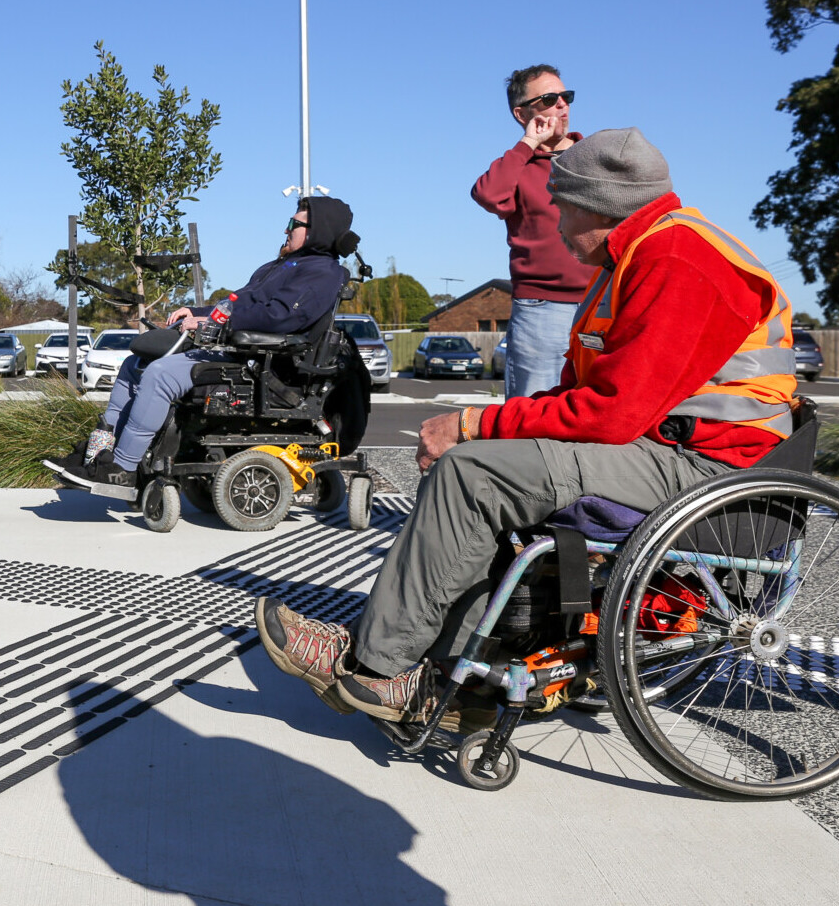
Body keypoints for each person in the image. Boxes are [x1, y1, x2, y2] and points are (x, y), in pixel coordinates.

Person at [259, 128, 798, 725]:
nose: (556, 222)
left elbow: (612, 413)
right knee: (484, 468)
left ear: (598, 205)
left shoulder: (677, 259)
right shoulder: (632, 258)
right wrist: (489, 428)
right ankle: (452, 675)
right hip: (665, 446)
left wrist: (470, 424)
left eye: (562, 206)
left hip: (710, 468)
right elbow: (577, 395)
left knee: (474, 475)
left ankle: (378, 666)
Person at [48, 196, 357, 493]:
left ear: (317, 232)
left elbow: (281, 318)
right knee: (134, 365)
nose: (286, 228)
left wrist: (217, 323)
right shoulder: (280, 266)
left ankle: (123, 470)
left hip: (265, 365)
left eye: (294, 223)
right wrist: (196, 313)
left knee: (160, 374)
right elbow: (236, 304)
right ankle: (99, 454)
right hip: (240, 352)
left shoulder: (323, 274)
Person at [471, 64, 591, 399]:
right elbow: (490, 195)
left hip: (602, 304)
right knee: (532, 413)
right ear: (521, 113)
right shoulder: (517, 165)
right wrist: (528, 143)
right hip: (542, 310)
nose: (562, 105)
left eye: (565, 96)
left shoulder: (594, 157)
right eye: (550, 98)